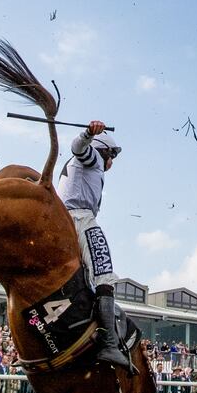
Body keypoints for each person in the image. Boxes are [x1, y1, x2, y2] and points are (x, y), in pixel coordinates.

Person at [55, 119, 131, 371]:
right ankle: (109, 343)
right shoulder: (93, 159)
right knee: (104, 275)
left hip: (64, 218)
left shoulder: (83, 167)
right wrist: (88, 133)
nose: (112, 163)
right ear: (105, 151)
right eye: (113, 156)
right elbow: (78, 147)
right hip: (80, 219)